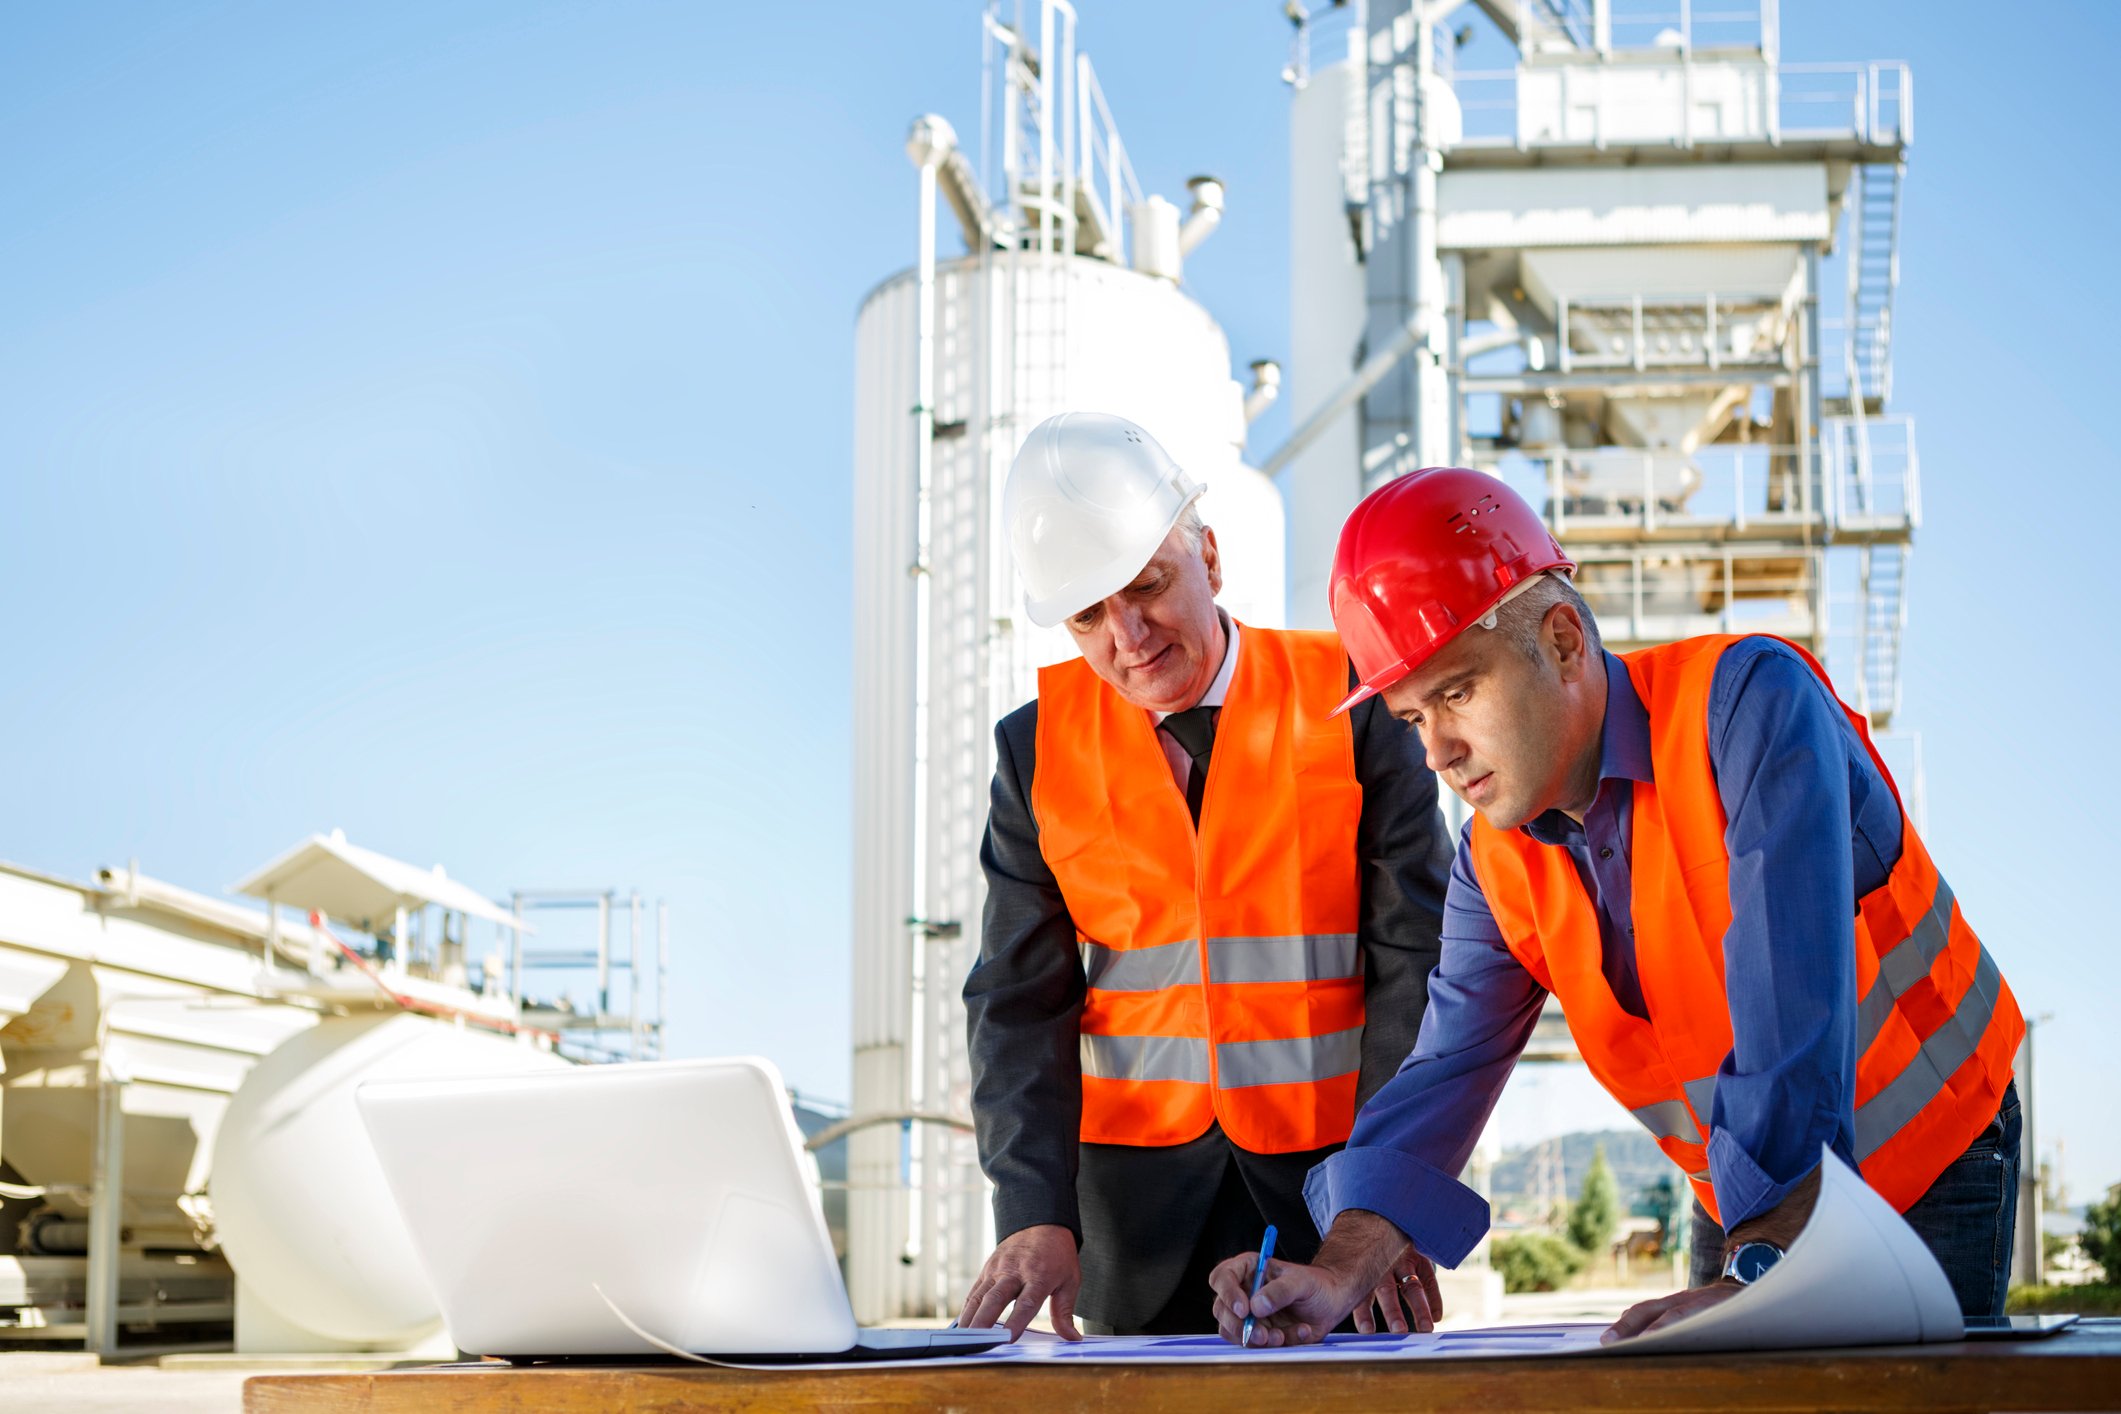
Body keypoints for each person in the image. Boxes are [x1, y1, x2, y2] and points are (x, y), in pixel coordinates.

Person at [1211, 466, 2023, 1346]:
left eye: (1455, 692)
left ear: (1562, 641)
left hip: (1934, 1156)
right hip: (1747, 1188)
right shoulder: (1496, 861)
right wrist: (1338, 1264)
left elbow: (1786, 996)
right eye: (1411, 718)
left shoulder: (1748, 706)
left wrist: (1765, 1262)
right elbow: (1444, 1071)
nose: (1436, 750)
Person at [958, 412, 1457, 1340]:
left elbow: (1420, 968)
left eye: (1148, 585)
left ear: (1210, 559)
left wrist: (1389, 1207)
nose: (1128, 635)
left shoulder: (1352, 703)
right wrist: (1033, 1209)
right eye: (1087, 615)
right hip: (1126, 1224)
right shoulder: (1033, 752)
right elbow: (1016, 1002)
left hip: (1333, 1199)